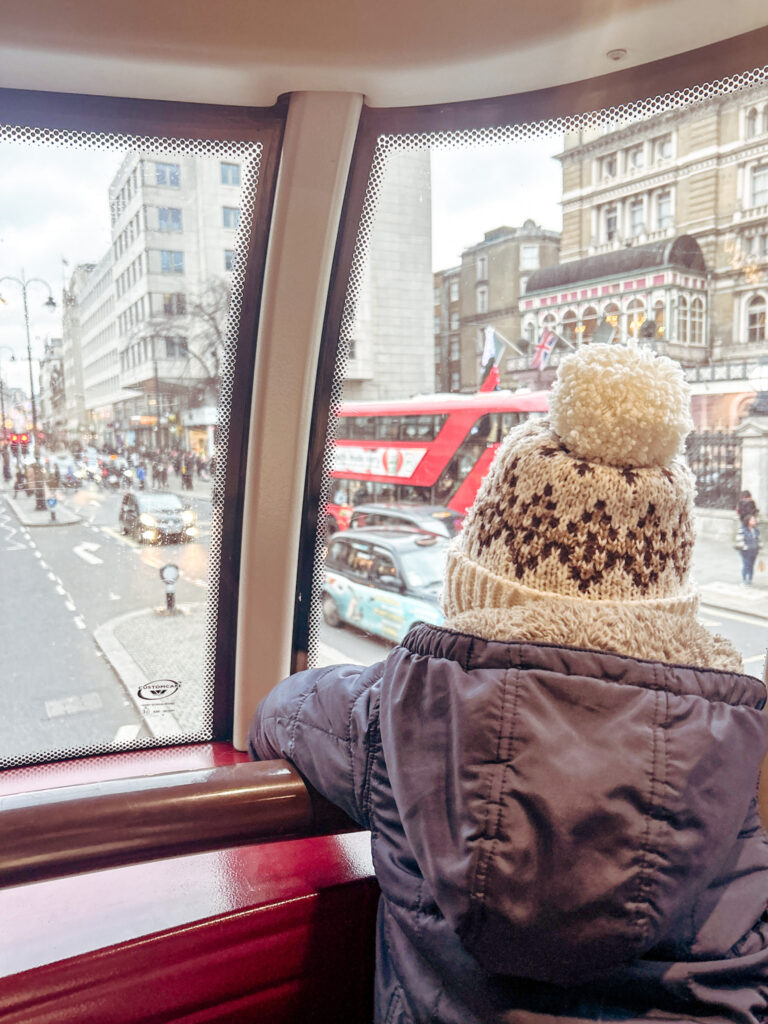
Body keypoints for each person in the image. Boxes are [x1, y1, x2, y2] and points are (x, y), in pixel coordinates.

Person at [248, 343, 768, 1023]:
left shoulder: (402, 708)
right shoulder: (744, 745)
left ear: (480, 586)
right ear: (667, 595)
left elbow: (278, 717)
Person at [736, 513, 762, 584]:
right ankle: (744, 579)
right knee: (746, 565)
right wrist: (745, 547)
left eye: (755, 520)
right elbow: (739, 540)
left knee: (751, 565)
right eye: (753, 520)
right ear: (748, 521)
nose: (754, 522)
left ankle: (750, 579)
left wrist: (759, 546)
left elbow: (758, 539)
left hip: (754, 551)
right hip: (746, 551)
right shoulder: (742, 530)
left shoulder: (756, 530)